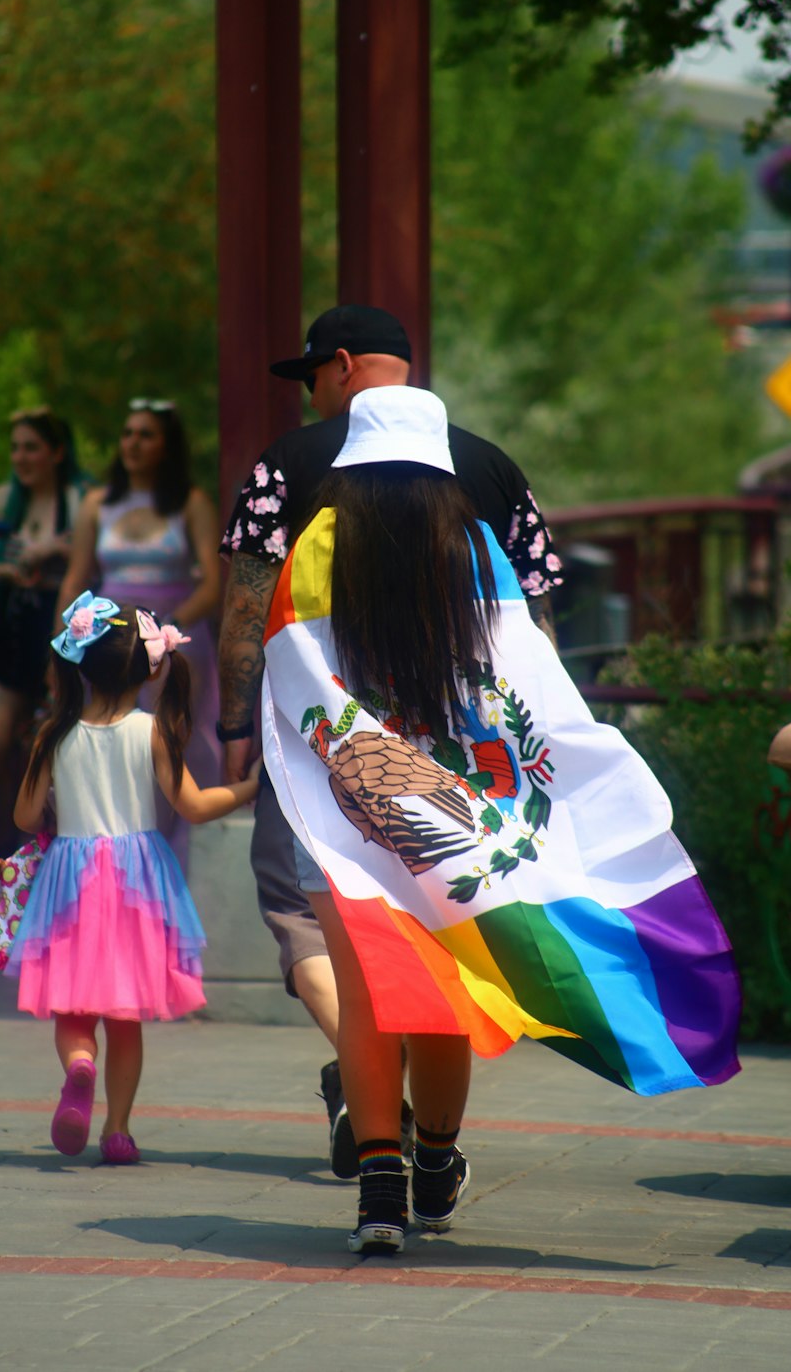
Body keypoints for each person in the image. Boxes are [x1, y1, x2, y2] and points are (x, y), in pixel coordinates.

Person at [261, 386, 740, 1254]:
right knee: (442, 988)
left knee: (372, 993)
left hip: (353, 808)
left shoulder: (316, 549)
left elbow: (290, 679)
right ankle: (436, 1164)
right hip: (462, 808)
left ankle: (378, 1191)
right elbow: (525, 679)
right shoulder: (473, 545)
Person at [217, 305, 564, 1175]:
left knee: (307, 912)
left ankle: (373, 1098)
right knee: (443, 923)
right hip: (469, 758)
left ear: (339, 367)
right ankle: (429, 1131)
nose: (313, 401)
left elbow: (246, 613)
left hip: (328, 752)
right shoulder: (489, 466)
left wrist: (235, 723)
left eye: (312, 381)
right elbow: (538, 622)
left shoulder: (287, 467)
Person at [6, 590, 259, 1163]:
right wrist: (248, 789)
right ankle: (117, 1130)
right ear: (145, 670)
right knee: (125, 1017)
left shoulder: (54, 734)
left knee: (73, 1010)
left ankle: (78, 1066)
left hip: (70, 882)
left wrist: (52, 804)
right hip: (138, 885)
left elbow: (23, 817)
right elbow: (192, 806)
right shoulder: (151, 731)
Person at [58, 399, 222, 870]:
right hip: (108, 644)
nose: (133, 443)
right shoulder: (97, 503)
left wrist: (163, 632)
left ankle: (173, 864)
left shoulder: (191, 502)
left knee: (172, 746)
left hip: (172, 639)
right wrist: (65, 645)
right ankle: (114, 860)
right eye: (128, 433)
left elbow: (213, 584)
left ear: (167, 445)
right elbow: (76, 578)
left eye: (146, 434)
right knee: (108, 743)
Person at [0, 407, 87, 855]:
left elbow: (96, 556)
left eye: (31, 447)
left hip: (60, 631)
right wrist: (4, 570)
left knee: (44, 749)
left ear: (57, 452)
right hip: (8, 628)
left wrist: (52, 549)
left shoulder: (80, 500)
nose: (21, 458)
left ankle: (45, 853)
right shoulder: (1, 500)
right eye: (15, 448)